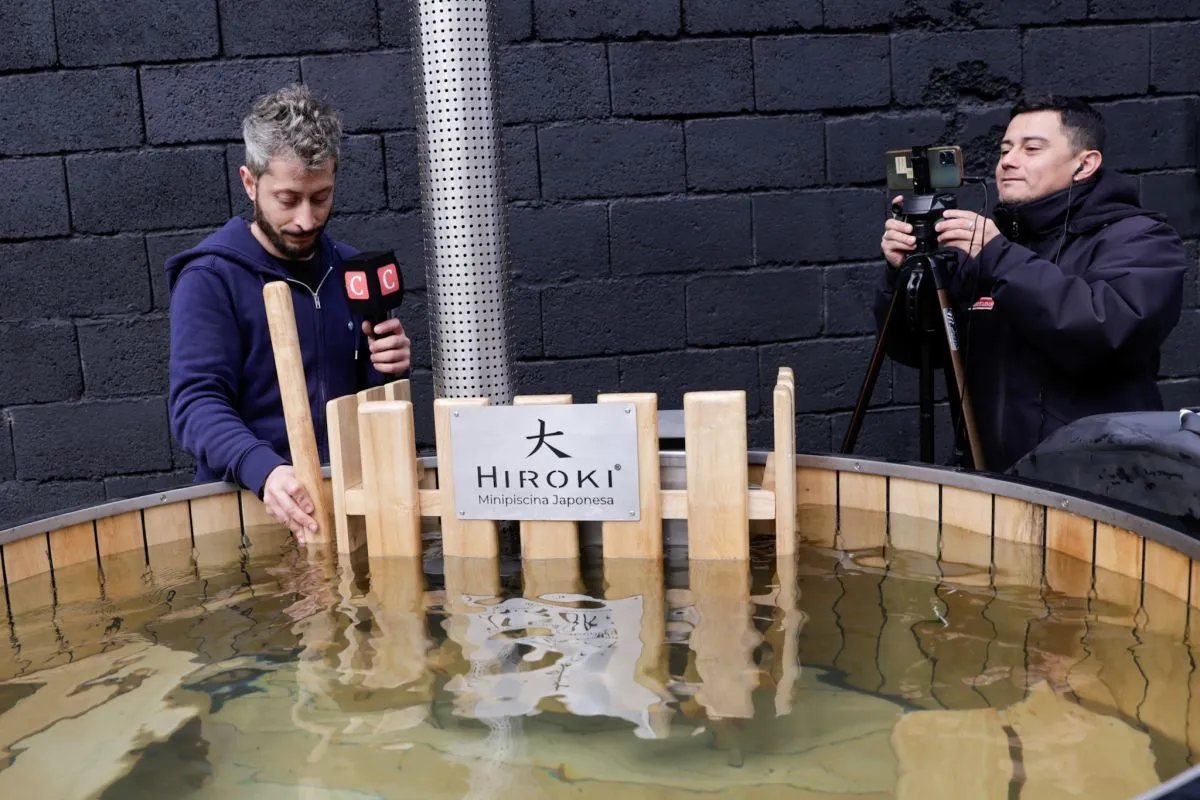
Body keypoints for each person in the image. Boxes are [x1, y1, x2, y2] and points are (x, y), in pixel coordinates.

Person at [876, 94, 1188, 472]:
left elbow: (1106, 330)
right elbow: (918, 351)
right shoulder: (986, 248)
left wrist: (999, 257)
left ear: (1084, 164)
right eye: (1005, 149)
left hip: (1100, 484)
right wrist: (904, 274)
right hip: (992, 482)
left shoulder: (1141, 239)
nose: (1008, 161)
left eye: (1032, 149)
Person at [166, 84, 411, 539]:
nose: (306, 219)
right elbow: (195, 404)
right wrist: (263, 469)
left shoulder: (350, 269)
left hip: (349, 510)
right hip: (247, 513)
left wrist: (386, 369)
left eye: (320, 197)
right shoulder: (210, 278)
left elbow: (362, 407)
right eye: (287, 199)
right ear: (249, 182)